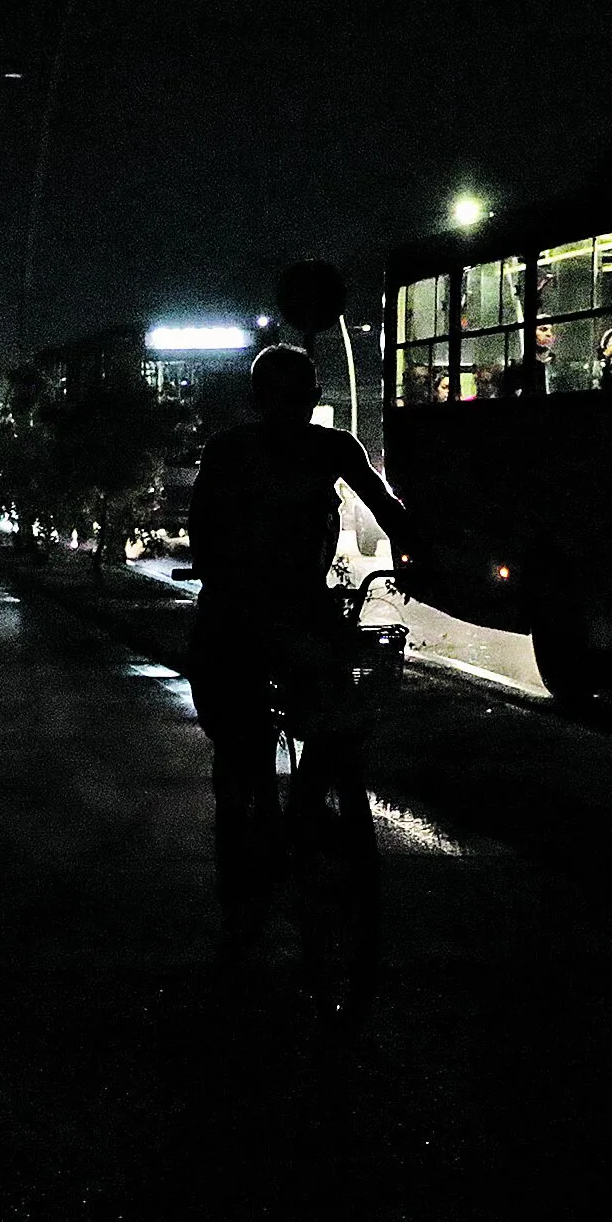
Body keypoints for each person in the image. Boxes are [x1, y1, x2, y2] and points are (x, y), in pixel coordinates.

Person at [187, 345, 413, 943]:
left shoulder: (230, 450)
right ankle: (291, 815)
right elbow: (394, 515)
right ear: (313, 396)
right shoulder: (331, 448)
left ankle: (254, 842)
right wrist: (421, 559)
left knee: (242, 747)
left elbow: (203, 537)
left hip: (242, 618)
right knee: (317, 724)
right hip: (283, 617)